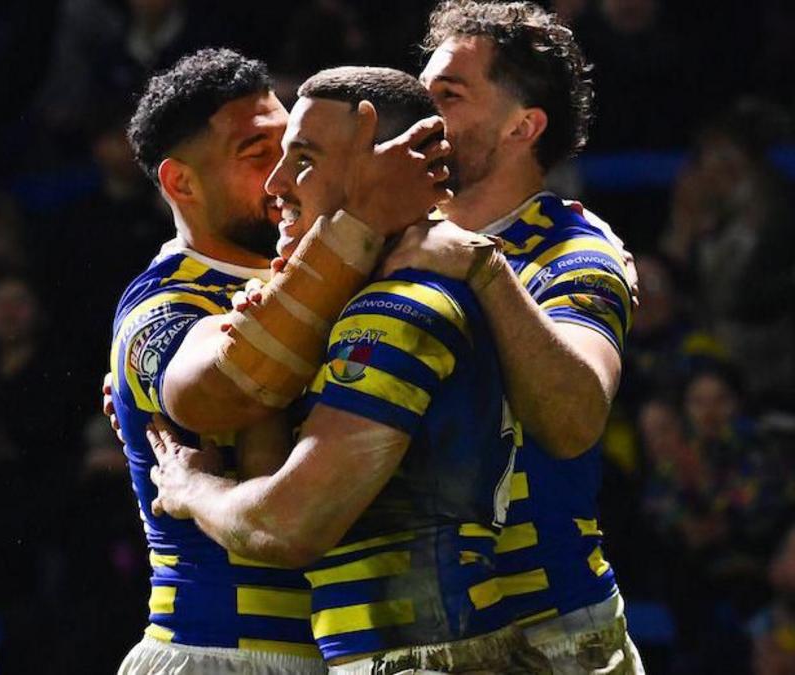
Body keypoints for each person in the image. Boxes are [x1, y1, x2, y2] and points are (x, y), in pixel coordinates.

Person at [148, 65, 547, 673]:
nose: (276, 182)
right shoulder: (361, 298)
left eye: (302, 159)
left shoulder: (401, 308)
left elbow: (288, 526)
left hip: (433, 658)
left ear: (384, 162)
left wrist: (191, 489)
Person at [108, 48, 449, 674]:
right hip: (221, 650)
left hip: (351, 649)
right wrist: (362, 218)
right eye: (258, 154)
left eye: (296, 151)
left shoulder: (347, 270)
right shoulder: (163, 303)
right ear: (181, 182)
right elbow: (228, 387)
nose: (280, 179)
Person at [378, 1, 641, 671]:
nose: (420, 111)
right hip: (413, 633)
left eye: (448, 95)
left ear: (524, 125)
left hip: (551, 636)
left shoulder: (574, 251)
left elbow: (575, 416)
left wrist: (481, 266)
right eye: (422, 88)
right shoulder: (383, 237)